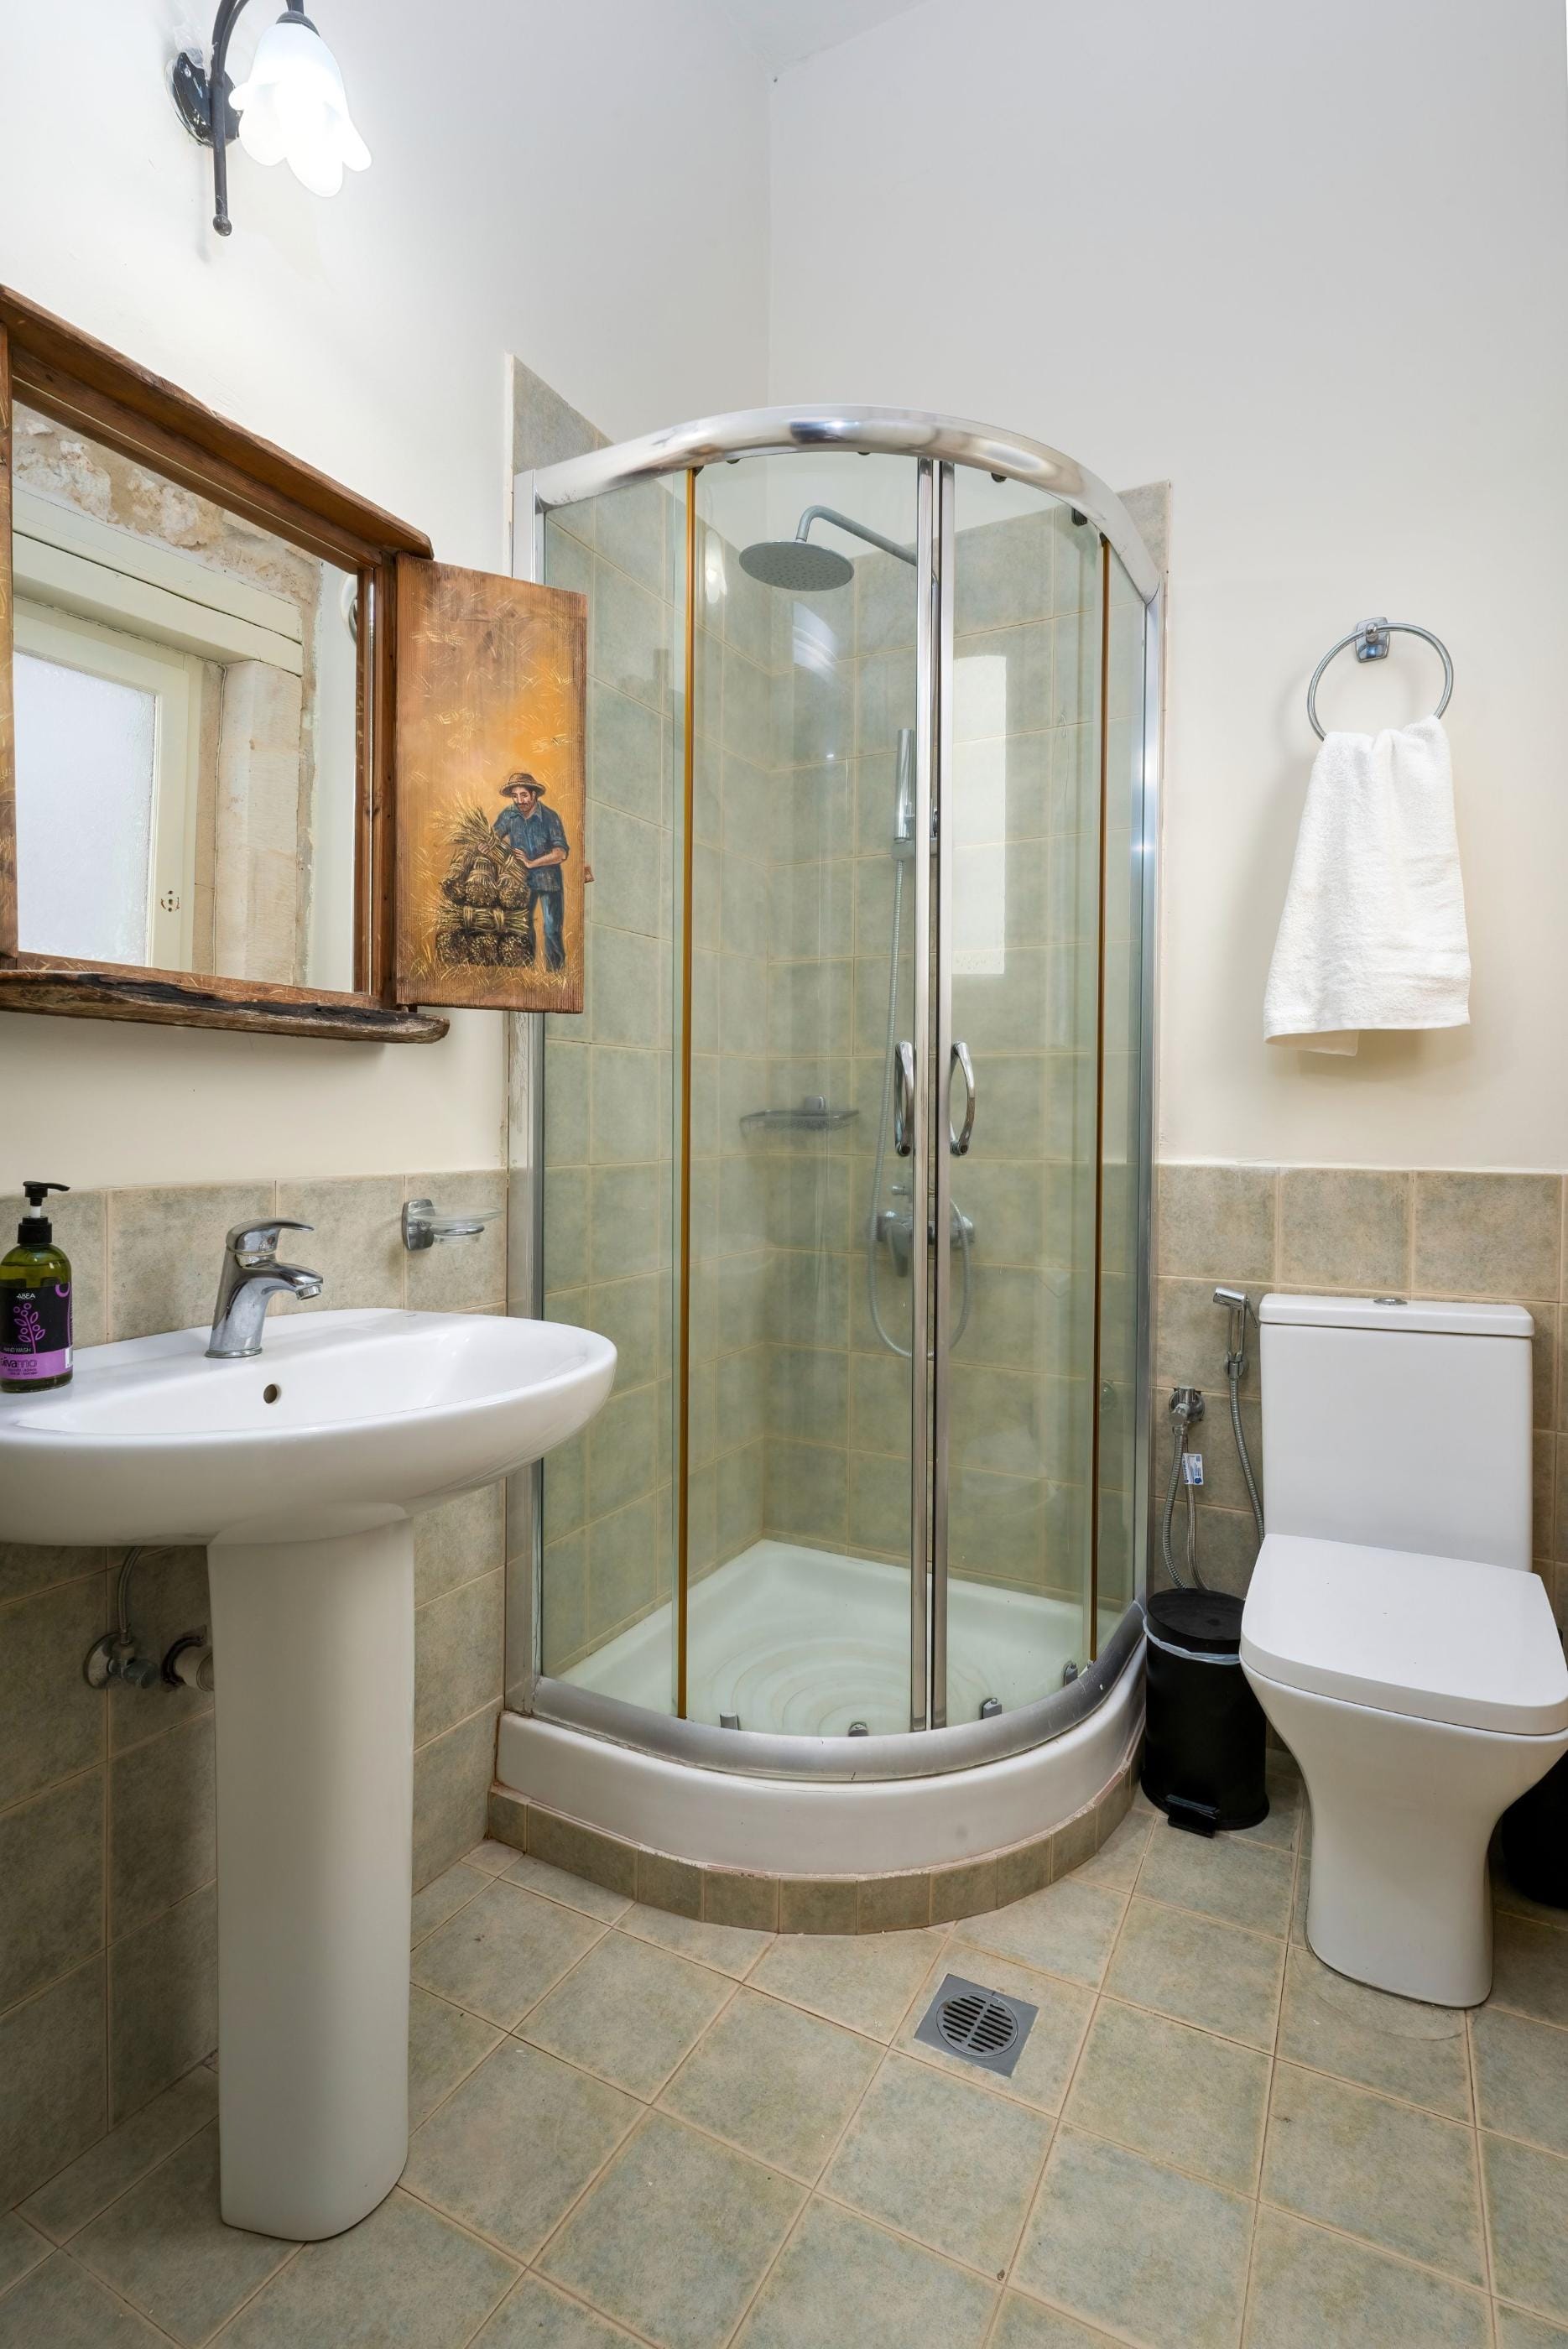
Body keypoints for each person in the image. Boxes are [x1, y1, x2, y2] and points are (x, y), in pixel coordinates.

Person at [493, 772, 570, 971]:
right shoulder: (508, 815)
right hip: (521, 882)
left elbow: (560, 853)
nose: (520, 801)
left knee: (552, 930)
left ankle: (556, 976)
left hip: (549, 881)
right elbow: (493, 838)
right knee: (522, 927)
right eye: (515, 796)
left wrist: (531, 862)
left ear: (534, 795)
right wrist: (489, 846)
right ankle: (525, 973)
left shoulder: (550, 817)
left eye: (524, 795)